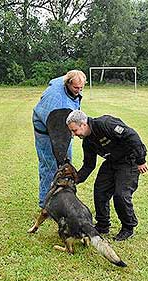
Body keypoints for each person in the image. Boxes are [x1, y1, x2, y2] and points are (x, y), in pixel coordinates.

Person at [66, 110, 148, 241]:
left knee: (121, 195)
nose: (73, 134)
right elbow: (88, 165)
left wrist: (141, 160)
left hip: (129, 161)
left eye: (74, 130)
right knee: (100, 191)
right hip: (112, 162)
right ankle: (103, 225)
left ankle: (128, 228)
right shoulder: (87, 142)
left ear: (83, 124)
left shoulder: (105, 124)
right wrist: (74, 179)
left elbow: (132, 135)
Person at [32, 70, 86, 210]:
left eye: (81, 87)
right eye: (76, 88)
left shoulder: (67, 81)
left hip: (61, 122)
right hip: (45, 126)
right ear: (68, 83)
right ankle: (47, 205)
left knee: (65, 164)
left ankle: (64, 199)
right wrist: (63, 162)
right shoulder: (59, 106)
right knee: (50, 165)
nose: (79, 91)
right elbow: (60, 138)